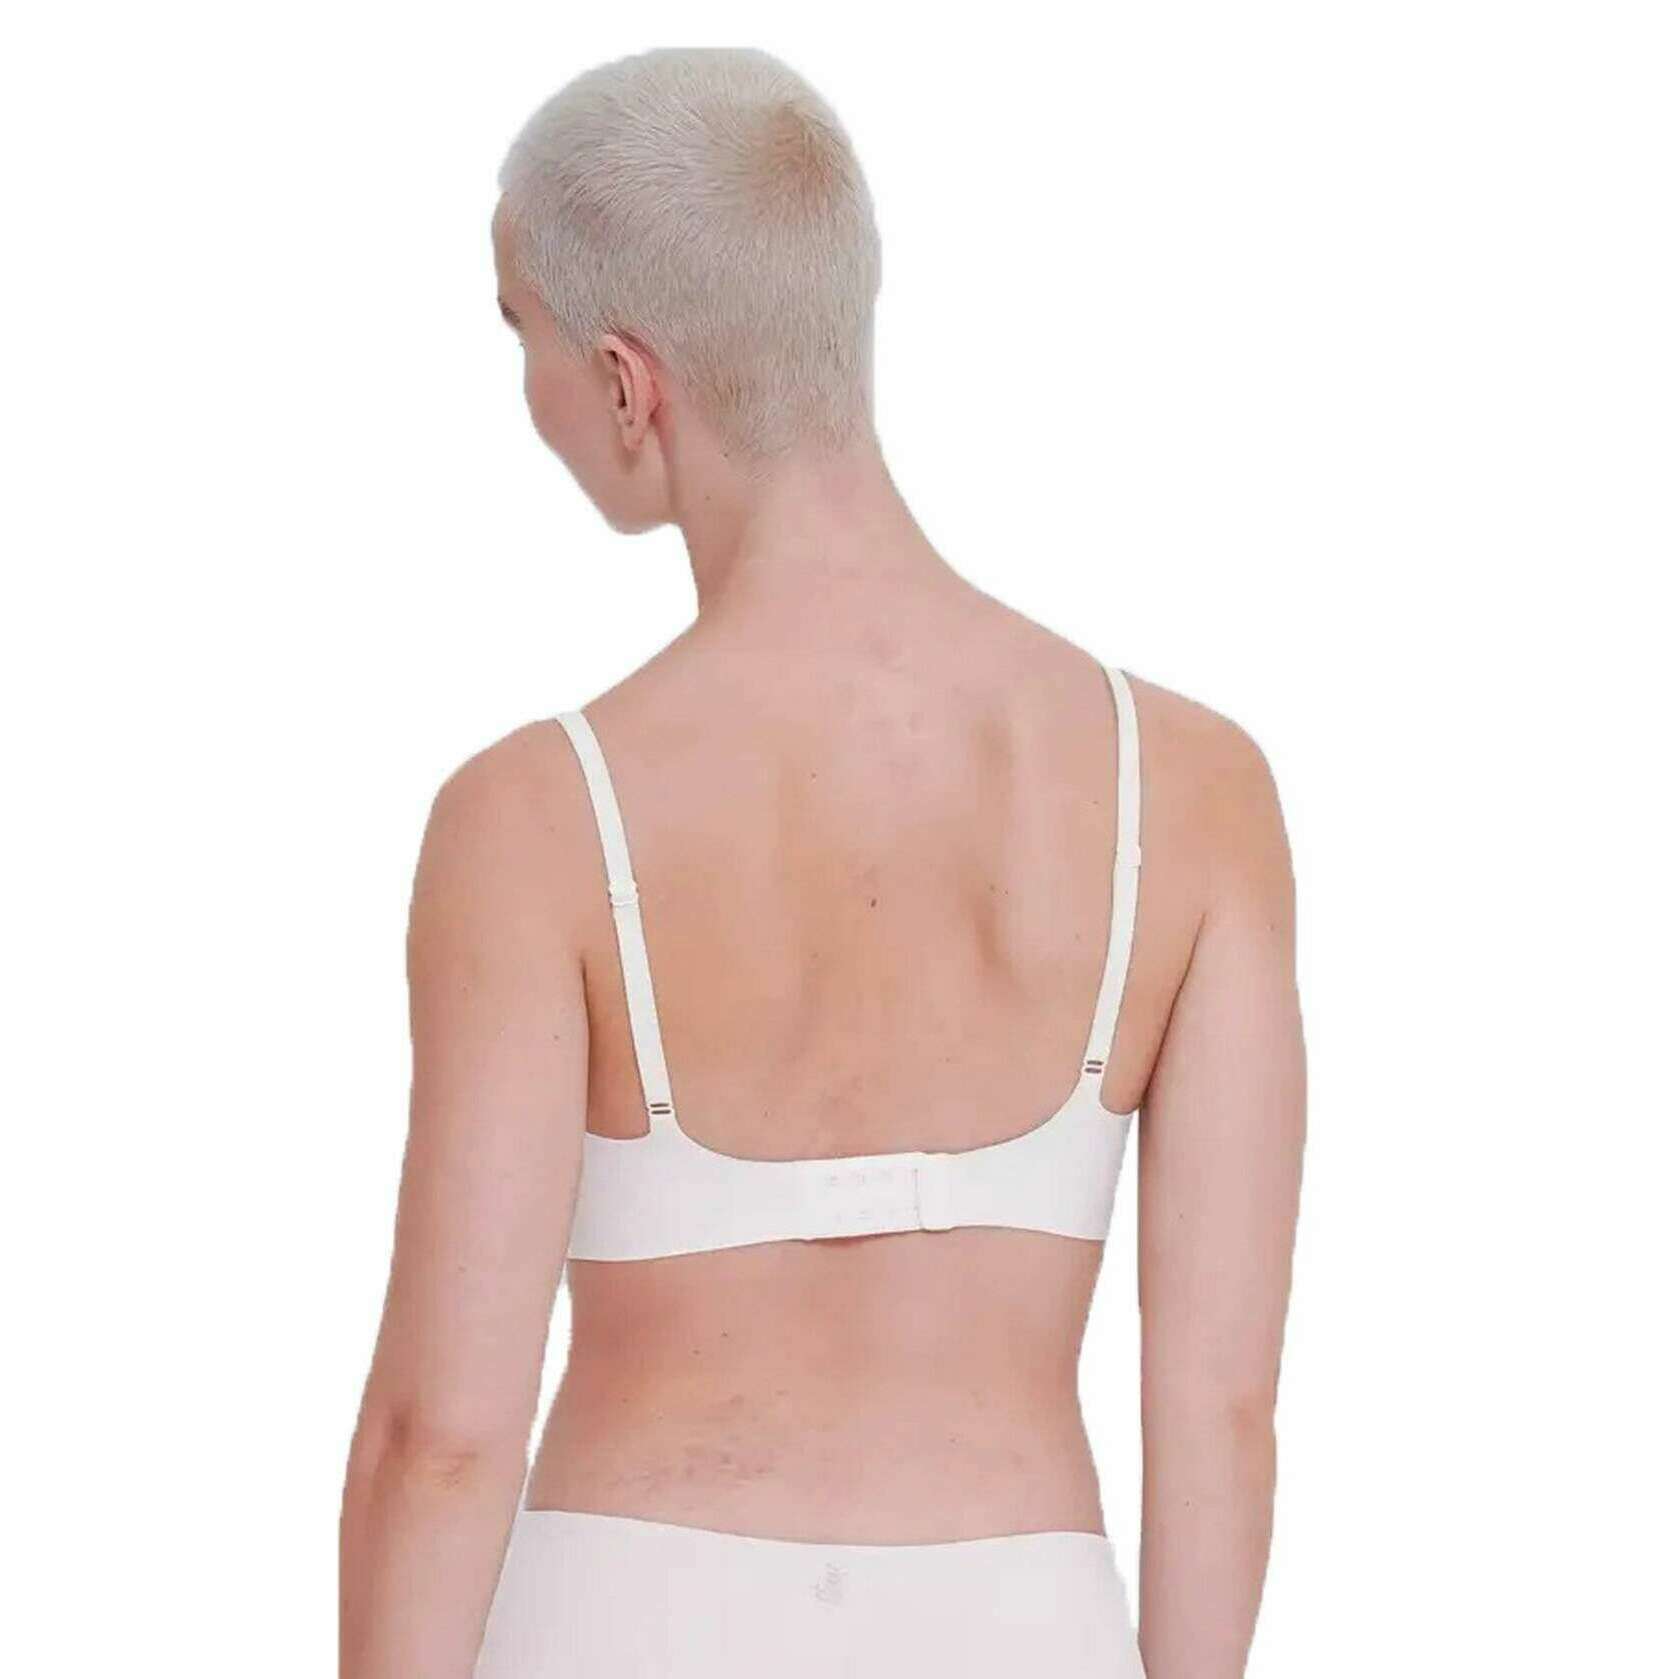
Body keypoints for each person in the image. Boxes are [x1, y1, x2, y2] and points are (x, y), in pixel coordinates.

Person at [339, 45, 1305, 1679]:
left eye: (521, 335)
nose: (529, 395)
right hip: (1018, 1624)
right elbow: (1219, 1414)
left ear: (629, 384)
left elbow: (442, 1435)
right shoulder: (1196, 793)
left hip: (621, 1618)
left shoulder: (532, 819)